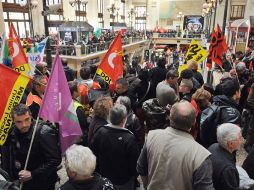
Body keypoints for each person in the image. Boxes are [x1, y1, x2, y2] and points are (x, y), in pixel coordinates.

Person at [137, 101, 214, 190]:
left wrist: (148, 186)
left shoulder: (152, 136)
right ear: (194, 122)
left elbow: (141, 168)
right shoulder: (201, 156)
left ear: (170, 117)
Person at [1, 104, 61, 190]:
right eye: (19, 122)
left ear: (31, 116)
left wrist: (33, 174)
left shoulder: (44, 132)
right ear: (13, 121)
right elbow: (9, 154)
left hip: (42, 183)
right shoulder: (12, 131)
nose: (24, 124)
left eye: (26, 119)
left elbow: (55, 160)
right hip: (21, 182)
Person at [91, 104, 140, 190]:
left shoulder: (100, 132)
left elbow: (93, 153)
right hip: (123, 181)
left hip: (104, 177)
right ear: (123, 120)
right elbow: (134, 164)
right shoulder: (129, 138)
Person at [200, 77, 242, 148]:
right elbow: (231, 141)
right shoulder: (234, 114)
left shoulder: (213, 104)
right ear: (236, 92)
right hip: (222, 152)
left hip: (209, 147)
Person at [208, 123, 243, 190]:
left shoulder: (213, 146)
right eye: (240, 138)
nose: (242, 140)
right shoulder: (228, 169)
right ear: (231, 144)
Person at [68, 81, 88, 146]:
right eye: (78, 89)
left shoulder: (63, 102)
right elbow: (84, 124)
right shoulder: (77, 107)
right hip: (78, 140)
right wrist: (90, 116)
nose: (80, 90)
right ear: (74, 92)